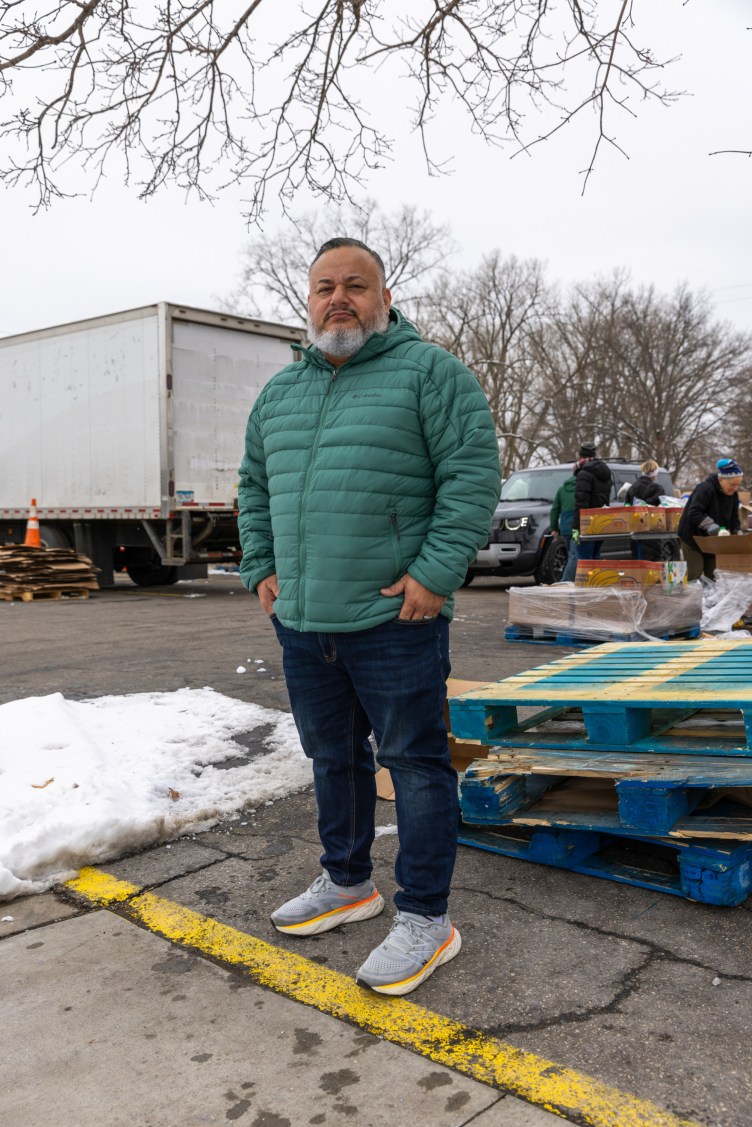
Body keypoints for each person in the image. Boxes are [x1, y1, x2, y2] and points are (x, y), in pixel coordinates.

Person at [237, 236, 501, 996]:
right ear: (309, 299)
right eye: (324, 286)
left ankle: (426, 916)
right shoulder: (281, 392)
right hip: (305, 620)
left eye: (356, 284)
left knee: (415, 766)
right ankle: (348, 881)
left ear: (385, 298)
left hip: (396, 618)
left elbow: (472, 475)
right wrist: (261, 567)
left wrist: (434, 571)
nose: (338, 297)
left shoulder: (432, 373)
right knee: (333, 758)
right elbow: (253, 488)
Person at [677, 458, 744, 580]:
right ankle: (691, 597)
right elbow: (694, 512)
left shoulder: (733, 494)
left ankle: (710, 599)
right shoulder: (706, 488)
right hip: (693, 537)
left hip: (713, 541)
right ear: (721, 479)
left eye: (738, 485)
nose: (735, 488)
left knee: (714, 575)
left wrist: (737, 532)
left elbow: (734, 518)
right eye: (733, 484)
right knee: (694, 573)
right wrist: (709, 525)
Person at [571, 443, 613, 564]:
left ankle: (588, 583)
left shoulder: (584, 474)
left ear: (581, 456)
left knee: (585, 561)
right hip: (601, 522)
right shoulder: (605, 472)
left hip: (587, 524)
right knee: (596, 558)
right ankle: (596, 582)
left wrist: (576, 527)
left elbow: (581, 502)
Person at [626, 459, 664, 561]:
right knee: (653, 563)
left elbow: (627, 506)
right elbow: (660, 508)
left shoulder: (631, 488)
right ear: (655, 473)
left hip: (635, 530)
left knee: (638, 561)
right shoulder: (658, 489)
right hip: (652, 531)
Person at [550, 468, 578, 582]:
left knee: (571, 556)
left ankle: (572, 581)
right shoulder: (583, 488)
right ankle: (565, 582)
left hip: (565, 528)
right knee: (574, 556)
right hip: (577, 527)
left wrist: (554, 528)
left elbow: (555, 510)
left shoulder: (562, 489)